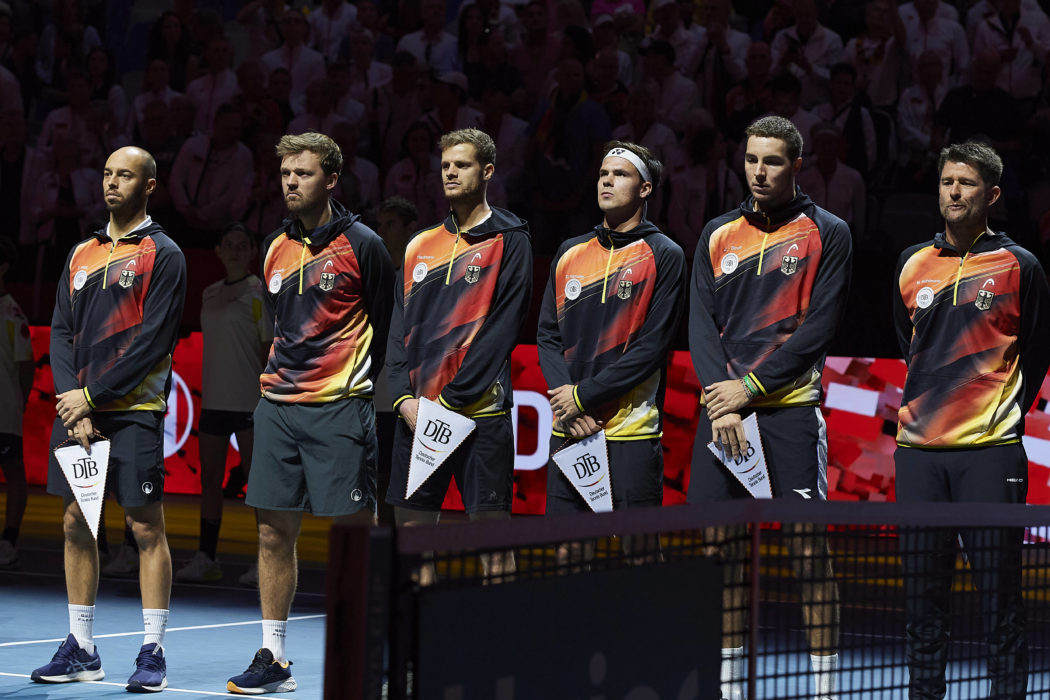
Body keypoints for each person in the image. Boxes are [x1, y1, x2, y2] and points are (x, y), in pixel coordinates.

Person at [689, 116, 852, 700]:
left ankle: (826, 689)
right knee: (720, 551)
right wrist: (724, 402)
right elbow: (701, 328)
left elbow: (819, 328)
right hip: (723, 415)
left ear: (795, 166)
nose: (760, 171)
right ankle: (731, 688)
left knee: (809, 552)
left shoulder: (827, 232)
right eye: (753, 159)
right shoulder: (716, 233)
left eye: (773, 161)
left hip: (788, 414)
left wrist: (749, 391)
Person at [226, 132, 393, 694]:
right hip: (277, 408)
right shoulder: (274, 245)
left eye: (303, 173)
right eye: (285, 174)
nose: (291, 182)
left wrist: (377, 396)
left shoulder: (363, 244)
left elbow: (389, 326)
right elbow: (282, 325)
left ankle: (365, 646)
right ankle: (272, 657)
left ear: (332, 180)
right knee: (273, 534)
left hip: (340, 407)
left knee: (352, 537)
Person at [893, 140, 1050, 700]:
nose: (954, 192)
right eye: (946, 182)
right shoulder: (913, 263)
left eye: (967, 183)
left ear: (993, 195)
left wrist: (997, 410)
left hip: (989, 455)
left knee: (1000, 598)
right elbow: (910, 343)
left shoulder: (1019, 266)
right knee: (921, 602)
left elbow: (1036, 349)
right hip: (917, 455)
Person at [31, 146, 187, 692]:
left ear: (149, 185)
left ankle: (153, 651)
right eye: (107, 173)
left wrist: (92, 397)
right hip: (80, 411)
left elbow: (155, 339)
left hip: (134, 411)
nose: (112, 183)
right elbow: (59, 331)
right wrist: (72, 397)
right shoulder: (81, 253)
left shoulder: (162, 253)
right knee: (75, 522)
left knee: (145, 527)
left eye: (125, 175)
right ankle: (82, 648)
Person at [385, 128, 531, 583]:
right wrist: (402, 399)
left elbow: (504, 328)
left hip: (480, 416)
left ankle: (498, 650)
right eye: (446, 164)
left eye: (462, 165)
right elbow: (396, 331)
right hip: (418, 415)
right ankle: (420, 645)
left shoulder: (512, 238)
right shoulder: (419, 245)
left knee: (493, 543)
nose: (450, 171)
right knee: (412, 538)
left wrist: (450, 401)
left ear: (487, 171)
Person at [537, 141, 685, 561]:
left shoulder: (665, 254)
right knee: (567, 551)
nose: (607, 180)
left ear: (645, 188)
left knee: (638, 553)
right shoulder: (569, 251)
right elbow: (548, 335)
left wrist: (581, 396)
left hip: (631, 432)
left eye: (620, 174)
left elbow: (652, 347)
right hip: (570, 428)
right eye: (603, 173)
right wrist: (568, 403)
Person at [174, 223, 272, 584]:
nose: (233, 251)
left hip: (249, 400)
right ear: (217, 250)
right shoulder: (209, 293)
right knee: (211, 480)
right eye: (227, 245)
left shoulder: (259, 293)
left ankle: (266, 561)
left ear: (252, 251)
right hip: (214, 401)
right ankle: (207, 557)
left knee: (256, 483)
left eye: (241, 245)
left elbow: (267, 348)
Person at [0, 237, 32, 567]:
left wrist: (17, 405)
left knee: (14, 475)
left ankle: (9, 539)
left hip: (4, 413)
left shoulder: (12, 314)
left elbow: (26, 367)